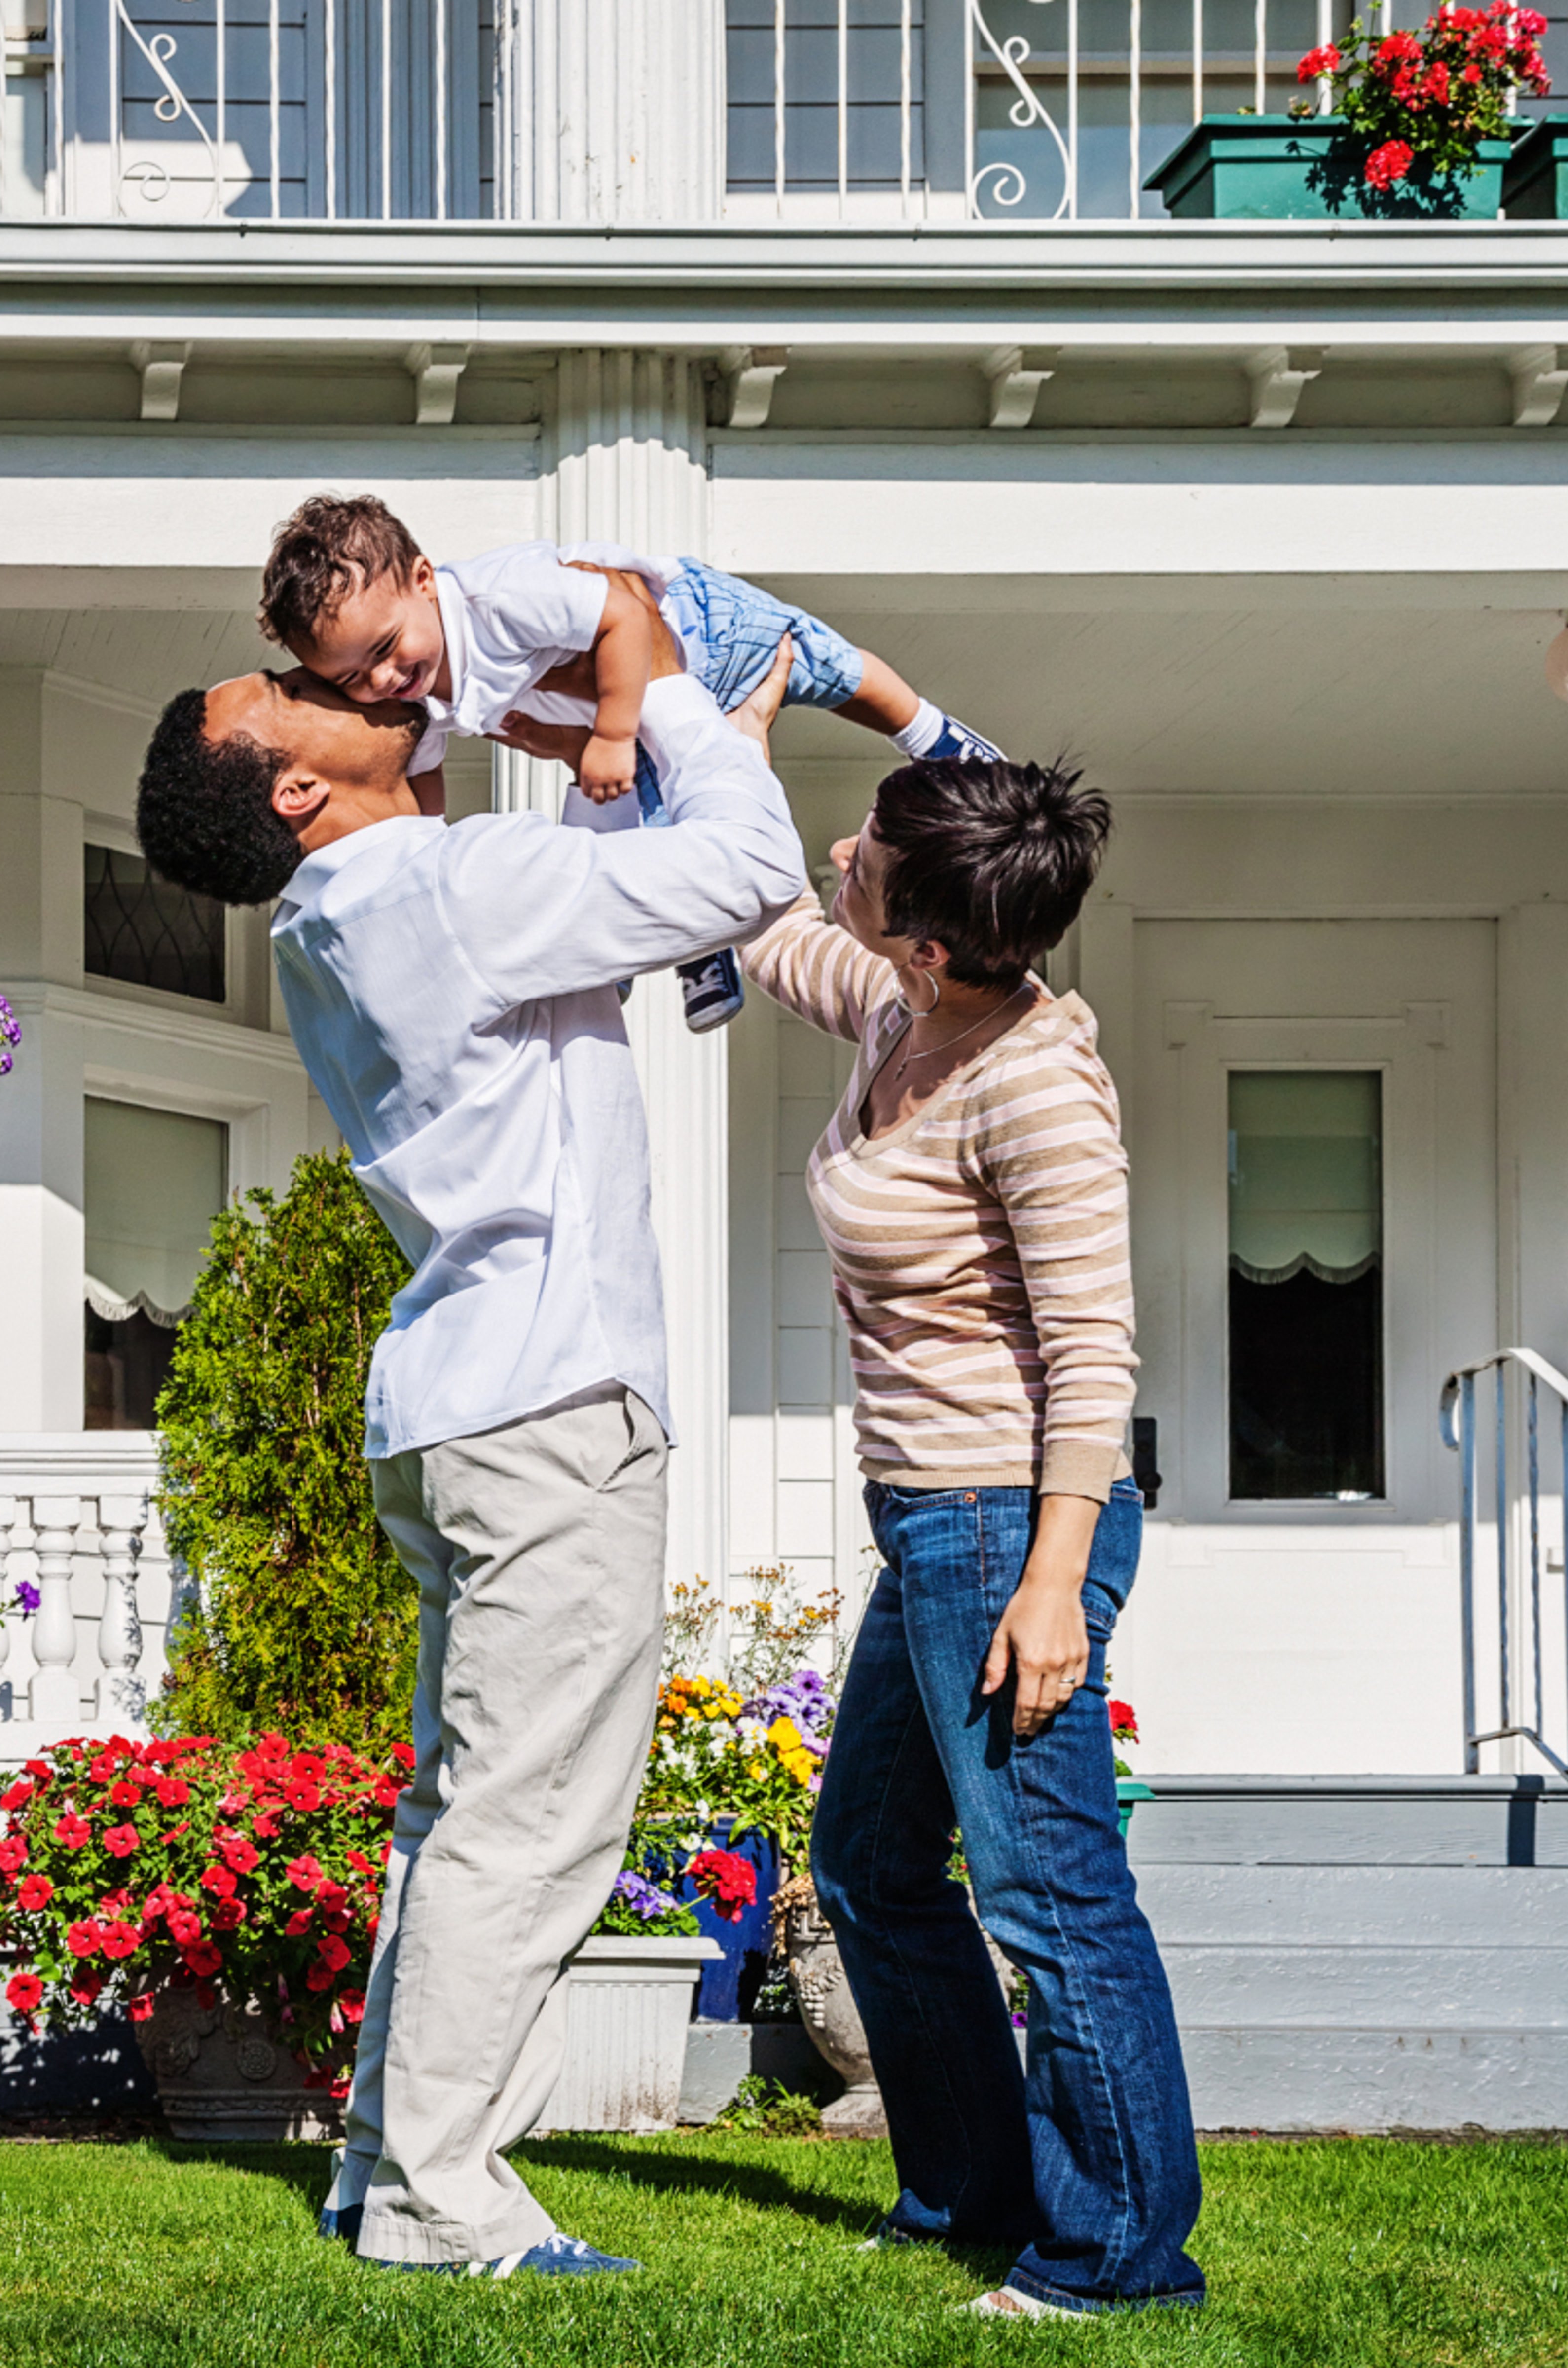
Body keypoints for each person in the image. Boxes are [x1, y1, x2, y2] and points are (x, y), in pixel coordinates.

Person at [131, 616, 806, 2274]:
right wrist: (689, 722)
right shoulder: (442, 889)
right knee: (532, 1823)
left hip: (457, 1408)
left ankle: (386, 2164)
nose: (342, 686)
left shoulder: (358, 916)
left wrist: (642, 732)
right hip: (546, 1410)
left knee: (460, 1816)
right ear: (293, 782)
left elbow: (602, 893)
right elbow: (752, 866)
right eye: (294, 691)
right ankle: (443, 2199)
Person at [732, 692, 1205, 2319]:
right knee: (869, 1858)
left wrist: (1057, 1584)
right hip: (934, 1523)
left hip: (1014, 1524)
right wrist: (735, 728)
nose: (842, 855)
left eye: (868, 850)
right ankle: (971, 2191)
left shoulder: (1033, 1087)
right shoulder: (902, 1008)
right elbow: (773, 926)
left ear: (933, 945)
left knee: (1051, 1897)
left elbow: (1093, 1354)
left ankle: (1124, 2259)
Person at [254, 492, 998, 1033]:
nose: (383, 681)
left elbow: (620, 616)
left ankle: (931, 734)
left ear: (422, 580)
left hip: (688, 630)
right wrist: (427, 849)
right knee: (623, 830)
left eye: (386, 650)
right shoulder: (419, 689)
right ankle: (687, 946)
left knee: (818, 663)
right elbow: (422, 768)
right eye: (352, 677)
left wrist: (611, 735)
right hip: (622, 715)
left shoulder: (496, 598)